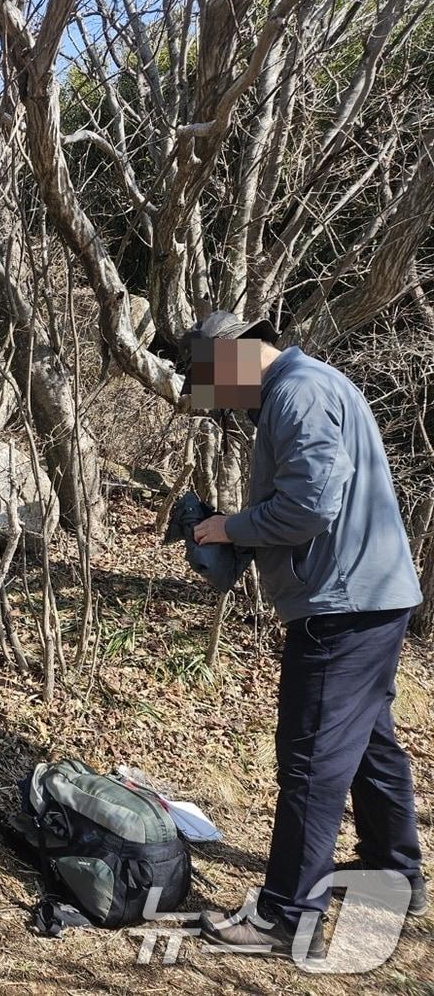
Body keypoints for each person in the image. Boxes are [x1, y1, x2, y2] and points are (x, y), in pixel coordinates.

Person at [178, 311, 427, 957]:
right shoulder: (316, 383)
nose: (222, 401)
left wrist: (228, 528)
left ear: (233, 361)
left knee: (311, 759)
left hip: (342, 604)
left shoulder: (297, 392)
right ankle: (393, 867)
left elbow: (313, 503)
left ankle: (287, 916)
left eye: (214, 383)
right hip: (373, 596)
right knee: (369, 740)